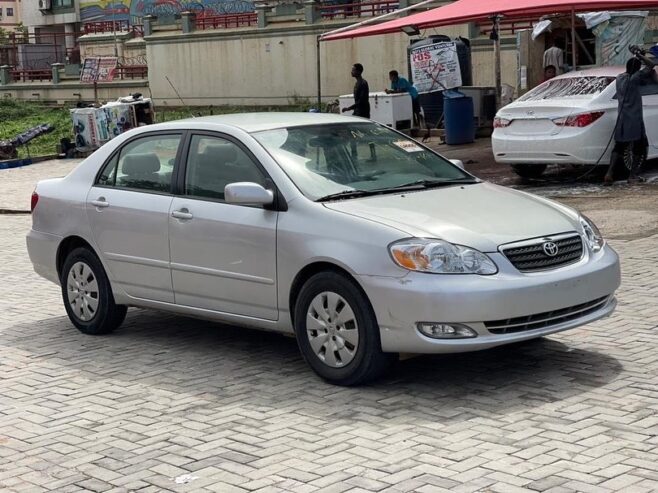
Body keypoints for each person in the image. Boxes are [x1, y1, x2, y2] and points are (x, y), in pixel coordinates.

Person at [604, 45, 656, 185]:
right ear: (637, 69)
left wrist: (638, 55)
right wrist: (640, 55)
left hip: (622, 119)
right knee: (639, 147)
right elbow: (651, 65)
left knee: (619, 147)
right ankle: (633, 176)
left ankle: (609, 173)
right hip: (635, 119)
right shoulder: (635, 79)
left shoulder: (620, 78)